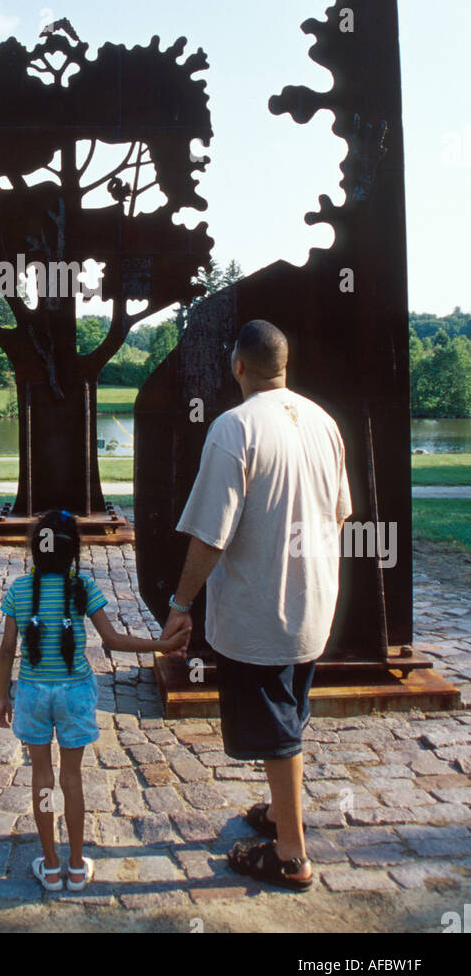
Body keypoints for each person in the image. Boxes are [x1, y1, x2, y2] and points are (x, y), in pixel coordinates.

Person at [160, 319, 352, 891]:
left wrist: (180, 604)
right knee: (289, 711)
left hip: (260, 608)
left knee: (276, 726)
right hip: (315, 599)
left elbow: (210, 535)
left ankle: (290, 855)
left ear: (237, 366)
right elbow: (340, 512)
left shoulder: (233, 428)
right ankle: (278, 811)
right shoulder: (324, 422)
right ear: (282, 365)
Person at [0, 508, 187, 891]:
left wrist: (3, 696)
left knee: (42, 780)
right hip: (75, 693)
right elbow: (114, 641)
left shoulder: (18, 590)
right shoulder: (83, 588)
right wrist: (162, 645)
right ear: (73, 553)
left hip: (33, 693)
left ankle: (50, 865)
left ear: (36, 551)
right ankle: (78, 865)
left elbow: (7, 648)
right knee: (72, 778)